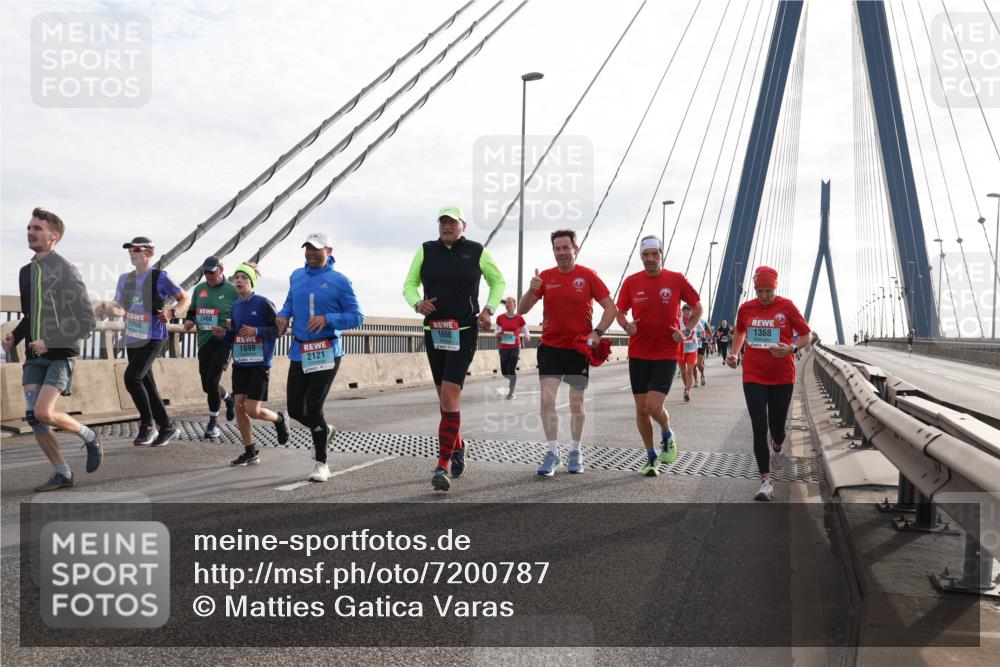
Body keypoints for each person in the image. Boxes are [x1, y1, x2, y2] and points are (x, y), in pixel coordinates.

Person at [403, 206, 504, 491]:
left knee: (449, 398)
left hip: (464, 331)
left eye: (452, 222)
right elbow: (409, 285)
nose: (446, 226)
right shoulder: (426, 250)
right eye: (442, 222)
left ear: (463, 225)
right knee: (445, 402)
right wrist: (417, 303)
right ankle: (459, 445)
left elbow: (498, 281)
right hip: (434, 332)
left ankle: (441, 465)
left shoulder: (476, 251)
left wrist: (489, 309)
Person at [2, 208, 100, 491]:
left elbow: (86, 320)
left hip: (61, 354)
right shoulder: (25, 273)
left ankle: (89, 435)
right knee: (34, 416)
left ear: (53, 236)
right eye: (29, 228)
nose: (30, 232)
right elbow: (31, 315)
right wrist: (15, 337)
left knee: (44, 412)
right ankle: (62, 472)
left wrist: (51, 341)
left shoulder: (66, 270)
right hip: (34, 357)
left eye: (37, 228)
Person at [518, 229, 617, 477]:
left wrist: (598, 332)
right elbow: (522, 309)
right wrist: (532, 289)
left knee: (576, 403)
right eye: (557, 249)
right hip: (550, 347)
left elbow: (610, 308)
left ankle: (575, 450)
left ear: (575, 249)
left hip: (577, 348)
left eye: (565, 248)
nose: (561, 253)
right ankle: (552, 453)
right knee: (546, 400)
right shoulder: (546, 277)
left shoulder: (588, 276)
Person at [276, 232, 364, 483]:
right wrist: (283, 317)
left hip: (327, 350)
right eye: (307, 249)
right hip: (300, 350)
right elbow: (289, 304)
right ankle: (325, 430)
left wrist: (328, 319)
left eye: (316, 249)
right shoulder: (296, 275)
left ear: (329, 251)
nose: (311, 253)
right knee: (294, 410)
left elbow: (357, 317)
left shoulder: (340, 281)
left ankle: (321, 463)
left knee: (314, 406)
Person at [615, 235, 701, 477]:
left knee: (654, 406)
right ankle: (651, 456)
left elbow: (698, 307)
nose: (650, 259)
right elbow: (620, 312)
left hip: (666, 351)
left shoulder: (676, 279)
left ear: (662, 255)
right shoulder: (632, 282)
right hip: (639, 352)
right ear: (641, 256)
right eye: (646, 255)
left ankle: (666, 431)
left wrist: (686, 331)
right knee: (641, 410)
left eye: (655, 254)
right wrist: (625, 325)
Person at [726, 266, 811, 501]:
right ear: (755, 289)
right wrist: (734, 353)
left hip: (782, 376)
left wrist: (791, 348)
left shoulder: (787, 307)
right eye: (761, 291)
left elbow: (806, 335)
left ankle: (778, 445)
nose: (764, 296)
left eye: (769, 291)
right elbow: (740, 332)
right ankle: (766, 480)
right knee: (758, 426)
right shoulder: (746, 308)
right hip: (753, 374)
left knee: (777, 426)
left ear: (776, 288)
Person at [96, 236, 189, 447]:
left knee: (132, 378)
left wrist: (172, 312)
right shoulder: (125, 279)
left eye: (136, 249)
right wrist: (108, 308)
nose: (132, 252)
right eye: (129, 249)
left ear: (149, 253)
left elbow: (185, 298)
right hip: (133, 336)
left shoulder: (160, 277)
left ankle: (148, 426)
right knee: (147, 382)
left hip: (154, 337)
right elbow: (120, 306)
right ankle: (167, 426)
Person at [212, 263, 289, 466]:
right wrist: (224, 334)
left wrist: (257, 331)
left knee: (253, 410)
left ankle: (279, 419)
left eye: (243, 277)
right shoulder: (235, 307)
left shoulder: (264, 303)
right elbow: (237, 336)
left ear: (251, 281)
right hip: (241, 362)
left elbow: (280, 331)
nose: (238, 280)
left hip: (260, 363)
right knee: (238, 405)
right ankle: (250, 450)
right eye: (236, 277)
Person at [183, 255, 238, 439]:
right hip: (204, 341)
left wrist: (232, 324)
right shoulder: (199, 289)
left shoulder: (232, 290)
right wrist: (190, 321)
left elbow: (242, 311)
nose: (208, 275)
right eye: (205, 272)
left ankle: (213, 424)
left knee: (213, 381)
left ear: (221, 270)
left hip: (223, 341)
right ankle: (228, 398)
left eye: (211, 272)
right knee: (207, 386)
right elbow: (192, 311)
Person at [495, 296, 529, 399]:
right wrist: (498, 334)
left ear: (514, 304)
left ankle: (511, 393)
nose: (508, 304)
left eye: (510, 302)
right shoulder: (500, 318)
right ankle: (512, 379)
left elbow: (525, 328)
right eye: (506, 303)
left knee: (511, 369)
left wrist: (527, 336)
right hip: (503, 348)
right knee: (505, 372)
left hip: (515, 347)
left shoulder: (519, 318)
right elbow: (496, 331)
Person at [678, 305, 702, 402]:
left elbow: (703, 329)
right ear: (682, 312)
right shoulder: (679, 321)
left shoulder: (695, 320)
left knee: (690, 371)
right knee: (683, 370)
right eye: (685, 311)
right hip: (681, 349)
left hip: (692, 348)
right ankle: (686, 387)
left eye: (689, 310)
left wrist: (703, 336)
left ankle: (688, 391)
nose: (687, 313)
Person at [696, 320, 711, 386]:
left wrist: (708, 342)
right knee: (693, 365)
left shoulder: (703, 322)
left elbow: (709, 332)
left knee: (699, 364)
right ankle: (695, 381)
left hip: (701, 343)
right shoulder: (688, 320)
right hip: (691, 344)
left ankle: (702, 375)